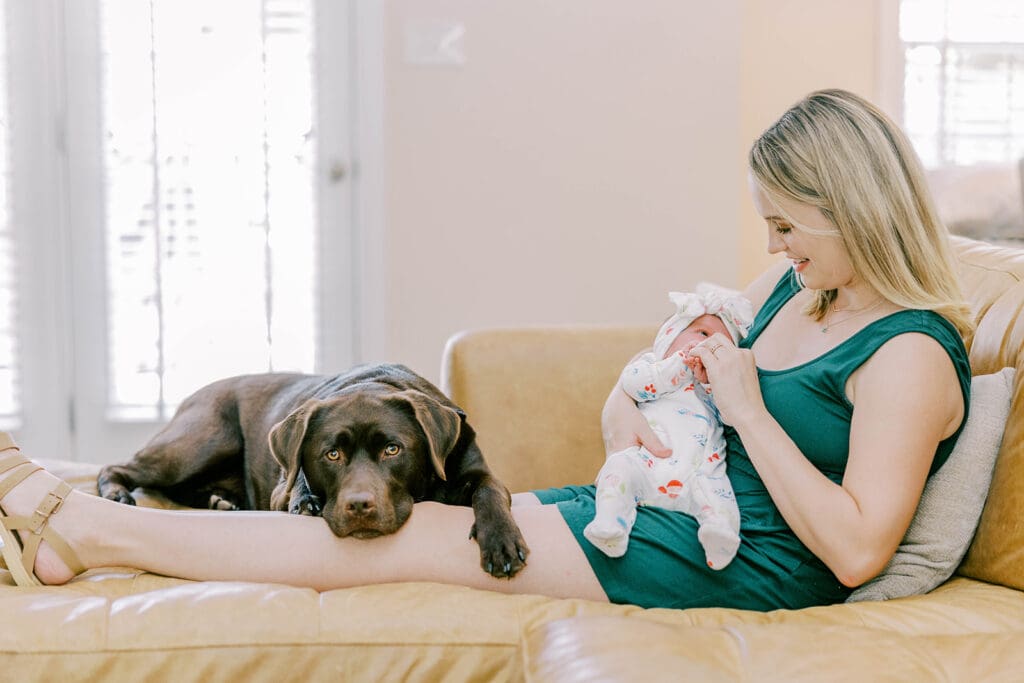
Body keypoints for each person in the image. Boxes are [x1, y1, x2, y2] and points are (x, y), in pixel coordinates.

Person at [0, 89, 972, 611]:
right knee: (425, 517)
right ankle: (78, 495)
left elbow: (852, 548)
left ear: (857, 206)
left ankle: (90, 528)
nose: (770, 246)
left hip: (736, 559)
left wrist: (749, 406)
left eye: (788, 223)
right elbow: (673, 393)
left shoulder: (909, 353)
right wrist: (637, 404)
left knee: (395, 542)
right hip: (657, 508)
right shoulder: (800, 289)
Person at [583, 284, 753, 568]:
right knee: (618, 470)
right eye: (703, 334)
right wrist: (678, 365)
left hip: (699, 472)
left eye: (723, 344)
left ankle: (719, 536)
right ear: (669, 337)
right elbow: (634, 385)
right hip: (645, 466)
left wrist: (714, 381)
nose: (711, 345)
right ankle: (611, 524)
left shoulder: (712, 388)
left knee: (719, 493)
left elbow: (730, 414)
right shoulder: (651, 365)